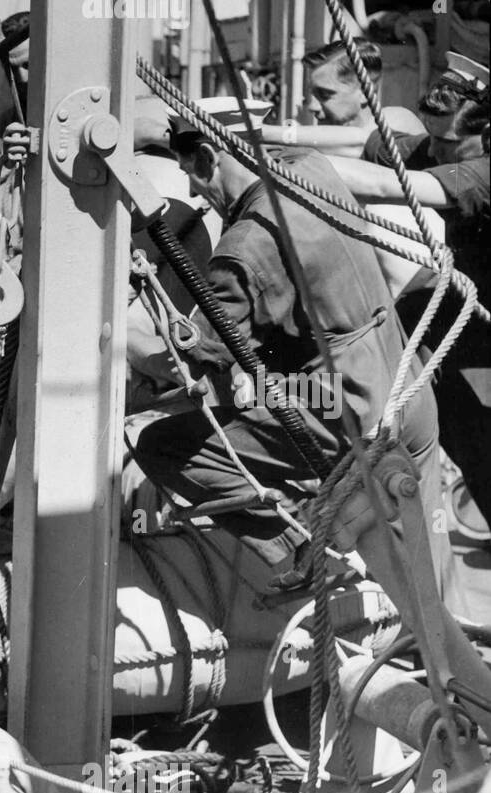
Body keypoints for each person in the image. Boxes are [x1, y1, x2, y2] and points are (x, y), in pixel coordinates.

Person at [133, 98, 447, 593]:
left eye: (193, 176)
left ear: (211, 159)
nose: (196, 193)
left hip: (351, 415)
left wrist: (138, 353)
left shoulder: (241, 252)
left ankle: (300, 546)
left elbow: (195, 364)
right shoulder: (312, 171)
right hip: (411, 395)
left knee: (161, 445)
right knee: (427, 575)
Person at [327, 53, 491, 528]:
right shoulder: (446, 148)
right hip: (466, 311)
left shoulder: (484, 173)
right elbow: (371, 141)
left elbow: (389, 182)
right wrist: (272, 139)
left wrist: (282, 169)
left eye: (446, 143)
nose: (434, 151)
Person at [260, 38, 425, 156]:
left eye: (324, 94)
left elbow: (362, 143)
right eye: (312, 94)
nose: (312, 106)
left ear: (365, 92)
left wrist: (264, 133)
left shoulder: (397, 119)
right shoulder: (327, 142)